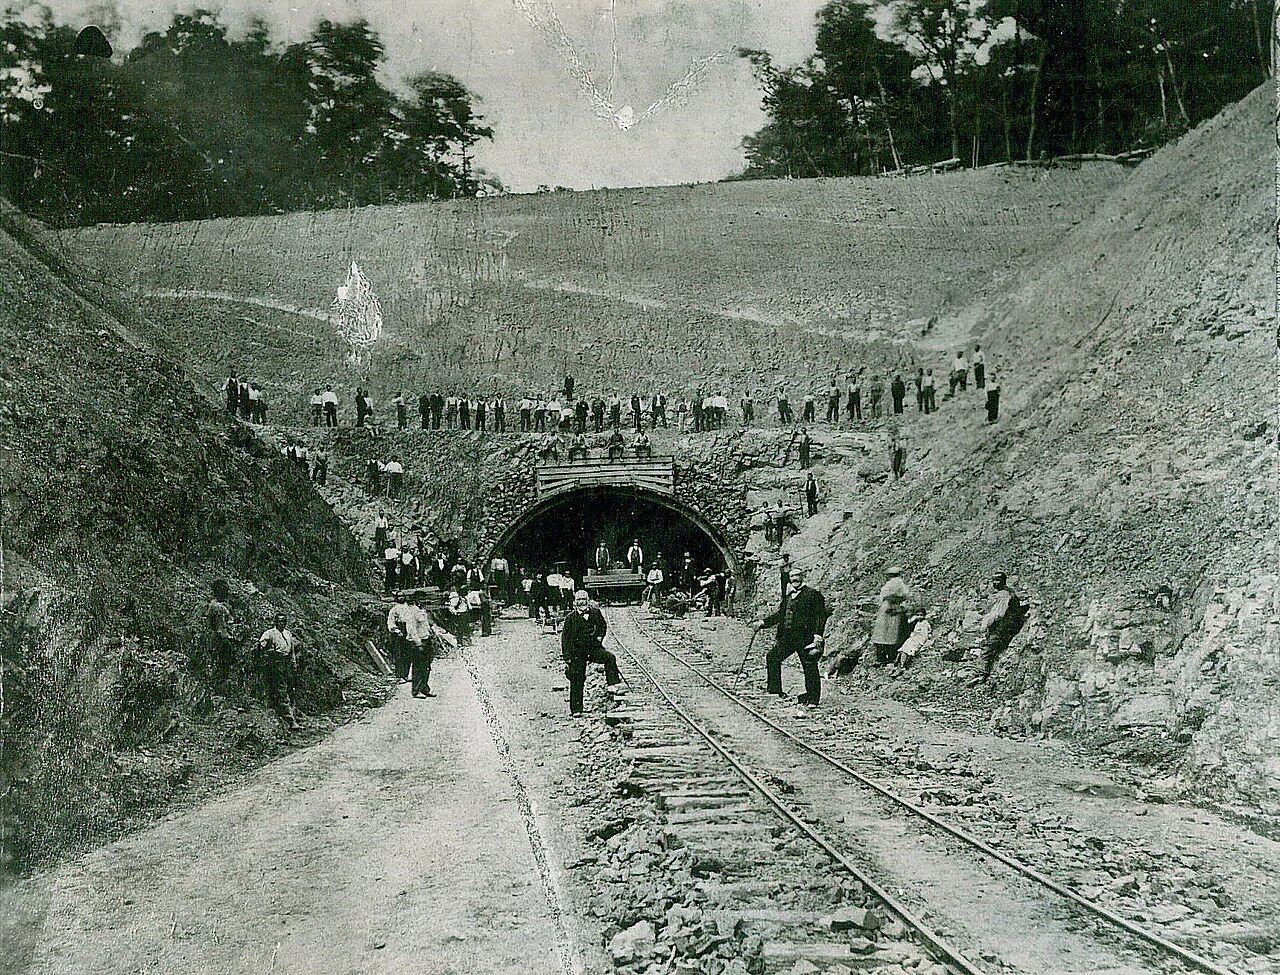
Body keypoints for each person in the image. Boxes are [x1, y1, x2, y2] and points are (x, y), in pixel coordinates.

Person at [754, 566, 827, 704]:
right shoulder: (788, 597)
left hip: (806, 637)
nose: (795, 578)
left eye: (797, 575)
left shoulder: (813, 594)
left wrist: (818, 634)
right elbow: (780, 616)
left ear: (803, 576)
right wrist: (763, 622)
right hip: (788, 637)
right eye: (792, 576)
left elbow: (820, 616)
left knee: (809, 666)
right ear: (789, 579)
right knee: (773, 657)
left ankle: (812, 699)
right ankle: (775, 690)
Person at [561, 590, 621, 714]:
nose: (581, 602)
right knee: (577, 679)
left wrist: (600, 636)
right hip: (577, 653)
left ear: (588, 601)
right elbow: (565, 639)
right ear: (575, 602)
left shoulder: (595, 613)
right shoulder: (570, 618)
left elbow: (603, 626)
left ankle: (612, 685)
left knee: (610, 658)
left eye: (583, 599)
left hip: (593, 649)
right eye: (578, 600)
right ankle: (576, 709)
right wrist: (567, 657)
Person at [978, 572, 1024, 682]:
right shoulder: (1008, 592)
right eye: (993, 580)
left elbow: (998, 615)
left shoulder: (1004, 595)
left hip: (1007, 625)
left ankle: (981, 674)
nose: (995, 583)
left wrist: (985, 625)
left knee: (988, 646)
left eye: (997, 580)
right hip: (1010, 623)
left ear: (1003, 580)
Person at [258, 612, 300, 729]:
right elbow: (262, 644)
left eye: (284, 621)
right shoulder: (270, 633)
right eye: (280, 621)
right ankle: (290, 720)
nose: (282, 623)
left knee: (291, 687)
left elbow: (291, 651)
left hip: (287, 663)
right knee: (281, 690)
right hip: (277, 663)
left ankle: (294, 714)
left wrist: (293, 663)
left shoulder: (288, 634)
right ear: (275, 622)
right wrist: (268, 651)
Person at [872, 567, 912, 666]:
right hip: (896, 608)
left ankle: (882, 658)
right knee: (893, 634)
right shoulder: (901, 584)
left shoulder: (889, 585)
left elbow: (883, 597)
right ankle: (891, 656)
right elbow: (906, 596)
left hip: (886, 608)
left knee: (882, 634)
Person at [203, 580, 237, 684]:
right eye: (224, 591)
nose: (227, 593)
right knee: (219, 663)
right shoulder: (215, 606)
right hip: (219, 638)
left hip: (225, 637)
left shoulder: (224, 605)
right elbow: (212, 624)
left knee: (224, 664)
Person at [386, 593, 413, 682]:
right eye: (399, 597)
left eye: (403, 596)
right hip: (398, 632)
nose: (401, 598)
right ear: (396, 598)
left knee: (408, 654)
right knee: (399, 654)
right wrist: (397, 631)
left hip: (408, 631)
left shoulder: (409, 608)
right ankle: (399, 675)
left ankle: (406, 674)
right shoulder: (394, 610)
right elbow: (391, 622)